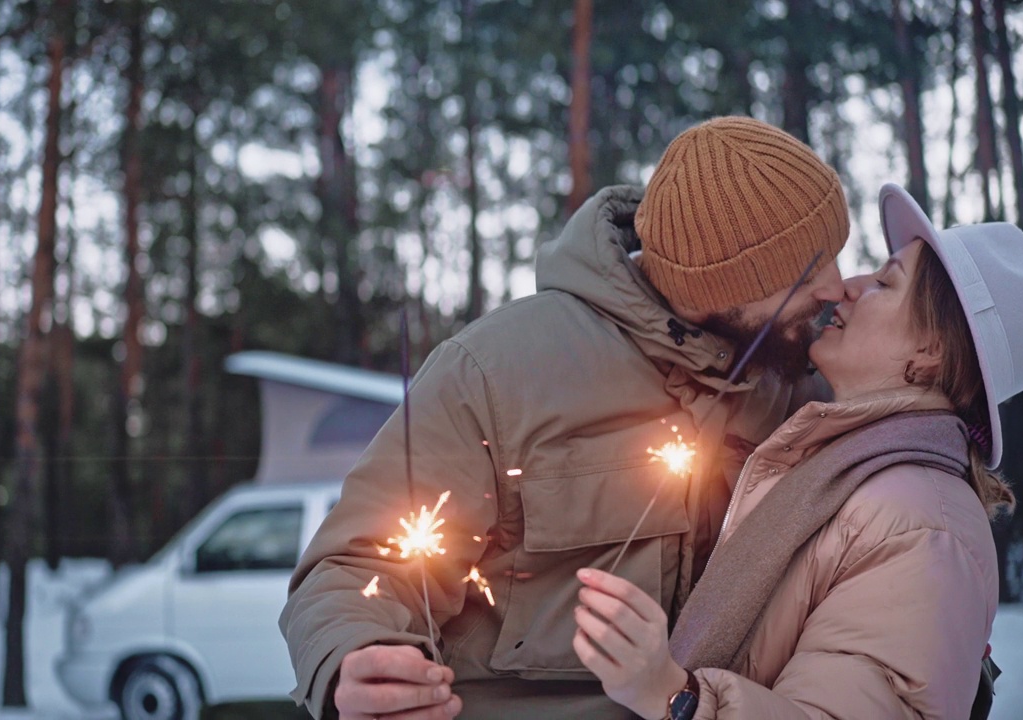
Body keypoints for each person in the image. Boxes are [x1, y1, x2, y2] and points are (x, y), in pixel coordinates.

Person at [280, 116, 852, 720]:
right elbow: (355, 564)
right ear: (720, 286)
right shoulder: (495, 373)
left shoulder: (796, 381)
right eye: (806, 272)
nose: (838, 287)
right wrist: (354, 658)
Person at [571, 183, 1023, 720]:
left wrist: (672, 696)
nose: (846, 288)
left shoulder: (923, 530)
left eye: (883, 282)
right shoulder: (833, 464)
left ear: (931, 349)